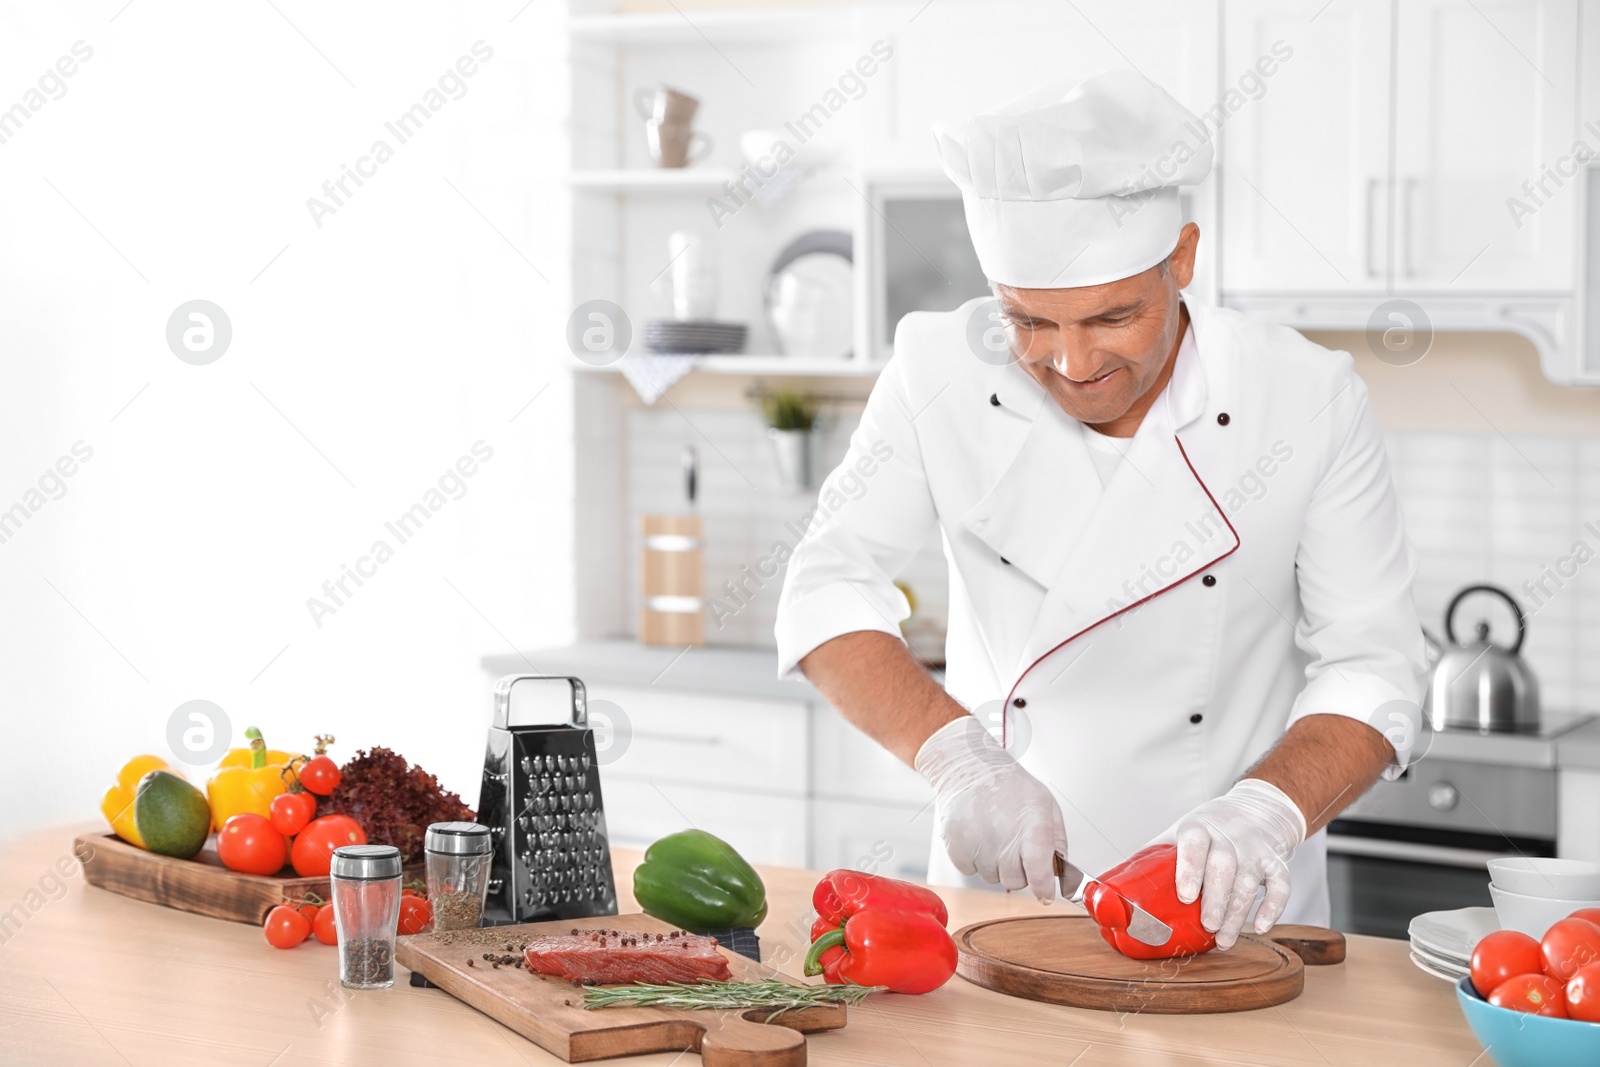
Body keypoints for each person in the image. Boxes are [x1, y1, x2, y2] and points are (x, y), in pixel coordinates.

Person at [774, 70, 1427, 949]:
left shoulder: (1305, 398)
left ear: (1183, 258)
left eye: (1113, 316)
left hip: (1236, 918)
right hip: (1005, 902)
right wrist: (956, 762)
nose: (1073, 362)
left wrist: (1266, 811)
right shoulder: (938, 369)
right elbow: (825, 590)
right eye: (1030, 323)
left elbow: (1374, 665)